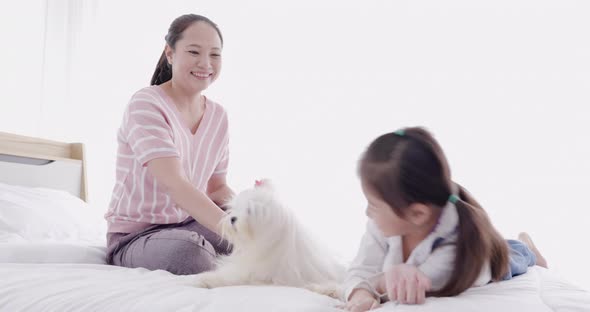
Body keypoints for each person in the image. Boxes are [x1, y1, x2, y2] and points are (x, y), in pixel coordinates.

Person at [342, 127, 548, 311]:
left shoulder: (455, 252)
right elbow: (361, 268)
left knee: (510, 257)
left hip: (483, 259)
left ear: (417, 214)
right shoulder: (384, 223)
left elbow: (419, 286)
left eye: (374, 205)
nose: (368, 213)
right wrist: (358, 292)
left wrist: (377, 284)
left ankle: (528, 248)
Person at [104, 14, 234, 275]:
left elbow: (217, 188)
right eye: (194, 52)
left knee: (263, 243)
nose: (206, 63)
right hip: (136, 236)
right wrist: (231, 229)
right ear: (170, 53)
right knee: (189, 253)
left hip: (188, 225)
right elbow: (174, 184)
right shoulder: (146, 104)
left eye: (215, 55)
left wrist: (251, 213)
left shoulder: (218, 116)